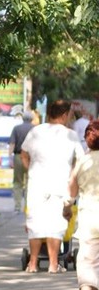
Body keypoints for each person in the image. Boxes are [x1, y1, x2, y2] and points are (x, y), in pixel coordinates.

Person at [22, 99, 85, 273]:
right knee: (56, 225)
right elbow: (80, 159)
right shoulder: (70, 135)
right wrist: (73, 175)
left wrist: (31, 170)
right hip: (59, 184)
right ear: (64, 115)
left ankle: (33, 264)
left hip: (37, 184)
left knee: (35, 224)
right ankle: (52, 264)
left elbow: (24, 154)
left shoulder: (35, 131)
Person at [67, 120, 99, 290]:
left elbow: (71, 186)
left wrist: (67, 205)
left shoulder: (82, 162)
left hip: (89, 215)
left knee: (87, 258)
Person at [9, 110, 35, 214]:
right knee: (30, 182)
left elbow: (12, 144)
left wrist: (10, 158)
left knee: (17, 182)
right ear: (32, 119)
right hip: (31, 158)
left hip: (18, 156)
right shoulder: (35, 129)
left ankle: (17, 206)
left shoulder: (16, 128)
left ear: (22, 118)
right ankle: (28, 206)